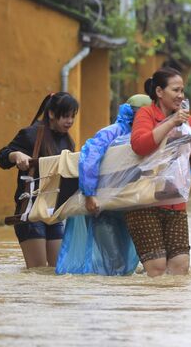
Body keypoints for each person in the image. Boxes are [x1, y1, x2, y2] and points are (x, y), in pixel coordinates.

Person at [126, 67, 191, 277]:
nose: (180, 95)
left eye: (182, 91)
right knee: (157, 268)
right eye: (175, 90)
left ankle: (174, 308)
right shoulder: (146, 114)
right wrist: (171, 122)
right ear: (159, 92)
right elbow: (140, 146)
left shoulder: (185, 119)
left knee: (180, 266)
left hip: (175, 201)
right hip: (144, 202)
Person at [55, 94, 152, 275]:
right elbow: (89, 159)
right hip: (104, 209)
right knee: (115, 262)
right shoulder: (112, 132)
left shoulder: (152, 135)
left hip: (133, 209)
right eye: (142, 114)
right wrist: (90, 194)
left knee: (129, 265)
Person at [0, 92, 79, 268]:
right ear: (51, 114)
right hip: (31, 212)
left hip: (53, 212)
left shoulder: (68, 142)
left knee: (59, 271)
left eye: (73, 116)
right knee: (38, 272)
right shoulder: (31, 135)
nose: (70, 121)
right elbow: (2, 157)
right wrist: (16, 155)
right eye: (65, 116)